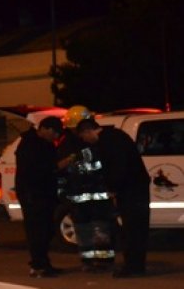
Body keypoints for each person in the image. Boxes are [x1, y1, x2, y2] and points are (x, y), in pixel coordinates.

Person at [76, 117, 151, 277]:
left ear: (88, 131)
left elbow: (118, 168)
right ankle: (136, 265)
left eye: (83, 137)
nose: (85, 141)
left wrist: (112, 189)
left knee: (132, 229)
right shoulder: (114, 137)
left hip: (131, 190)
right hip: (134, 188)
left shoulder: (110, 142)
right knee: (135, 228)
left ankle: (133, 267)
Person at [57, 105, 116, 271]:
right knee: (84, 229)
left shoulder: (97, 141)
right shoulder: (67, 144)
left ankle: (103, 260)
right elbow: (60, 167)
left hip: (97, 193)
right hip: (79, 194)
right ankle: (89, 261)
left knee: (100, 227)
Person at [14, 116, 63, 277]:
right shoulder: (29, 144)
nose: (55, 137)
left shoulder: (44, 144)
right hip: (33, 194)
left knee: (46, 230)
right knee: (37, 231)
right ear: (45, 129)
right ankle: (38, 265)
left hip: (44, 193)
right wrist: (56, 166)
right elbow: (35, 170)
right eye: (54, 133)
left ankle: (43, 263)